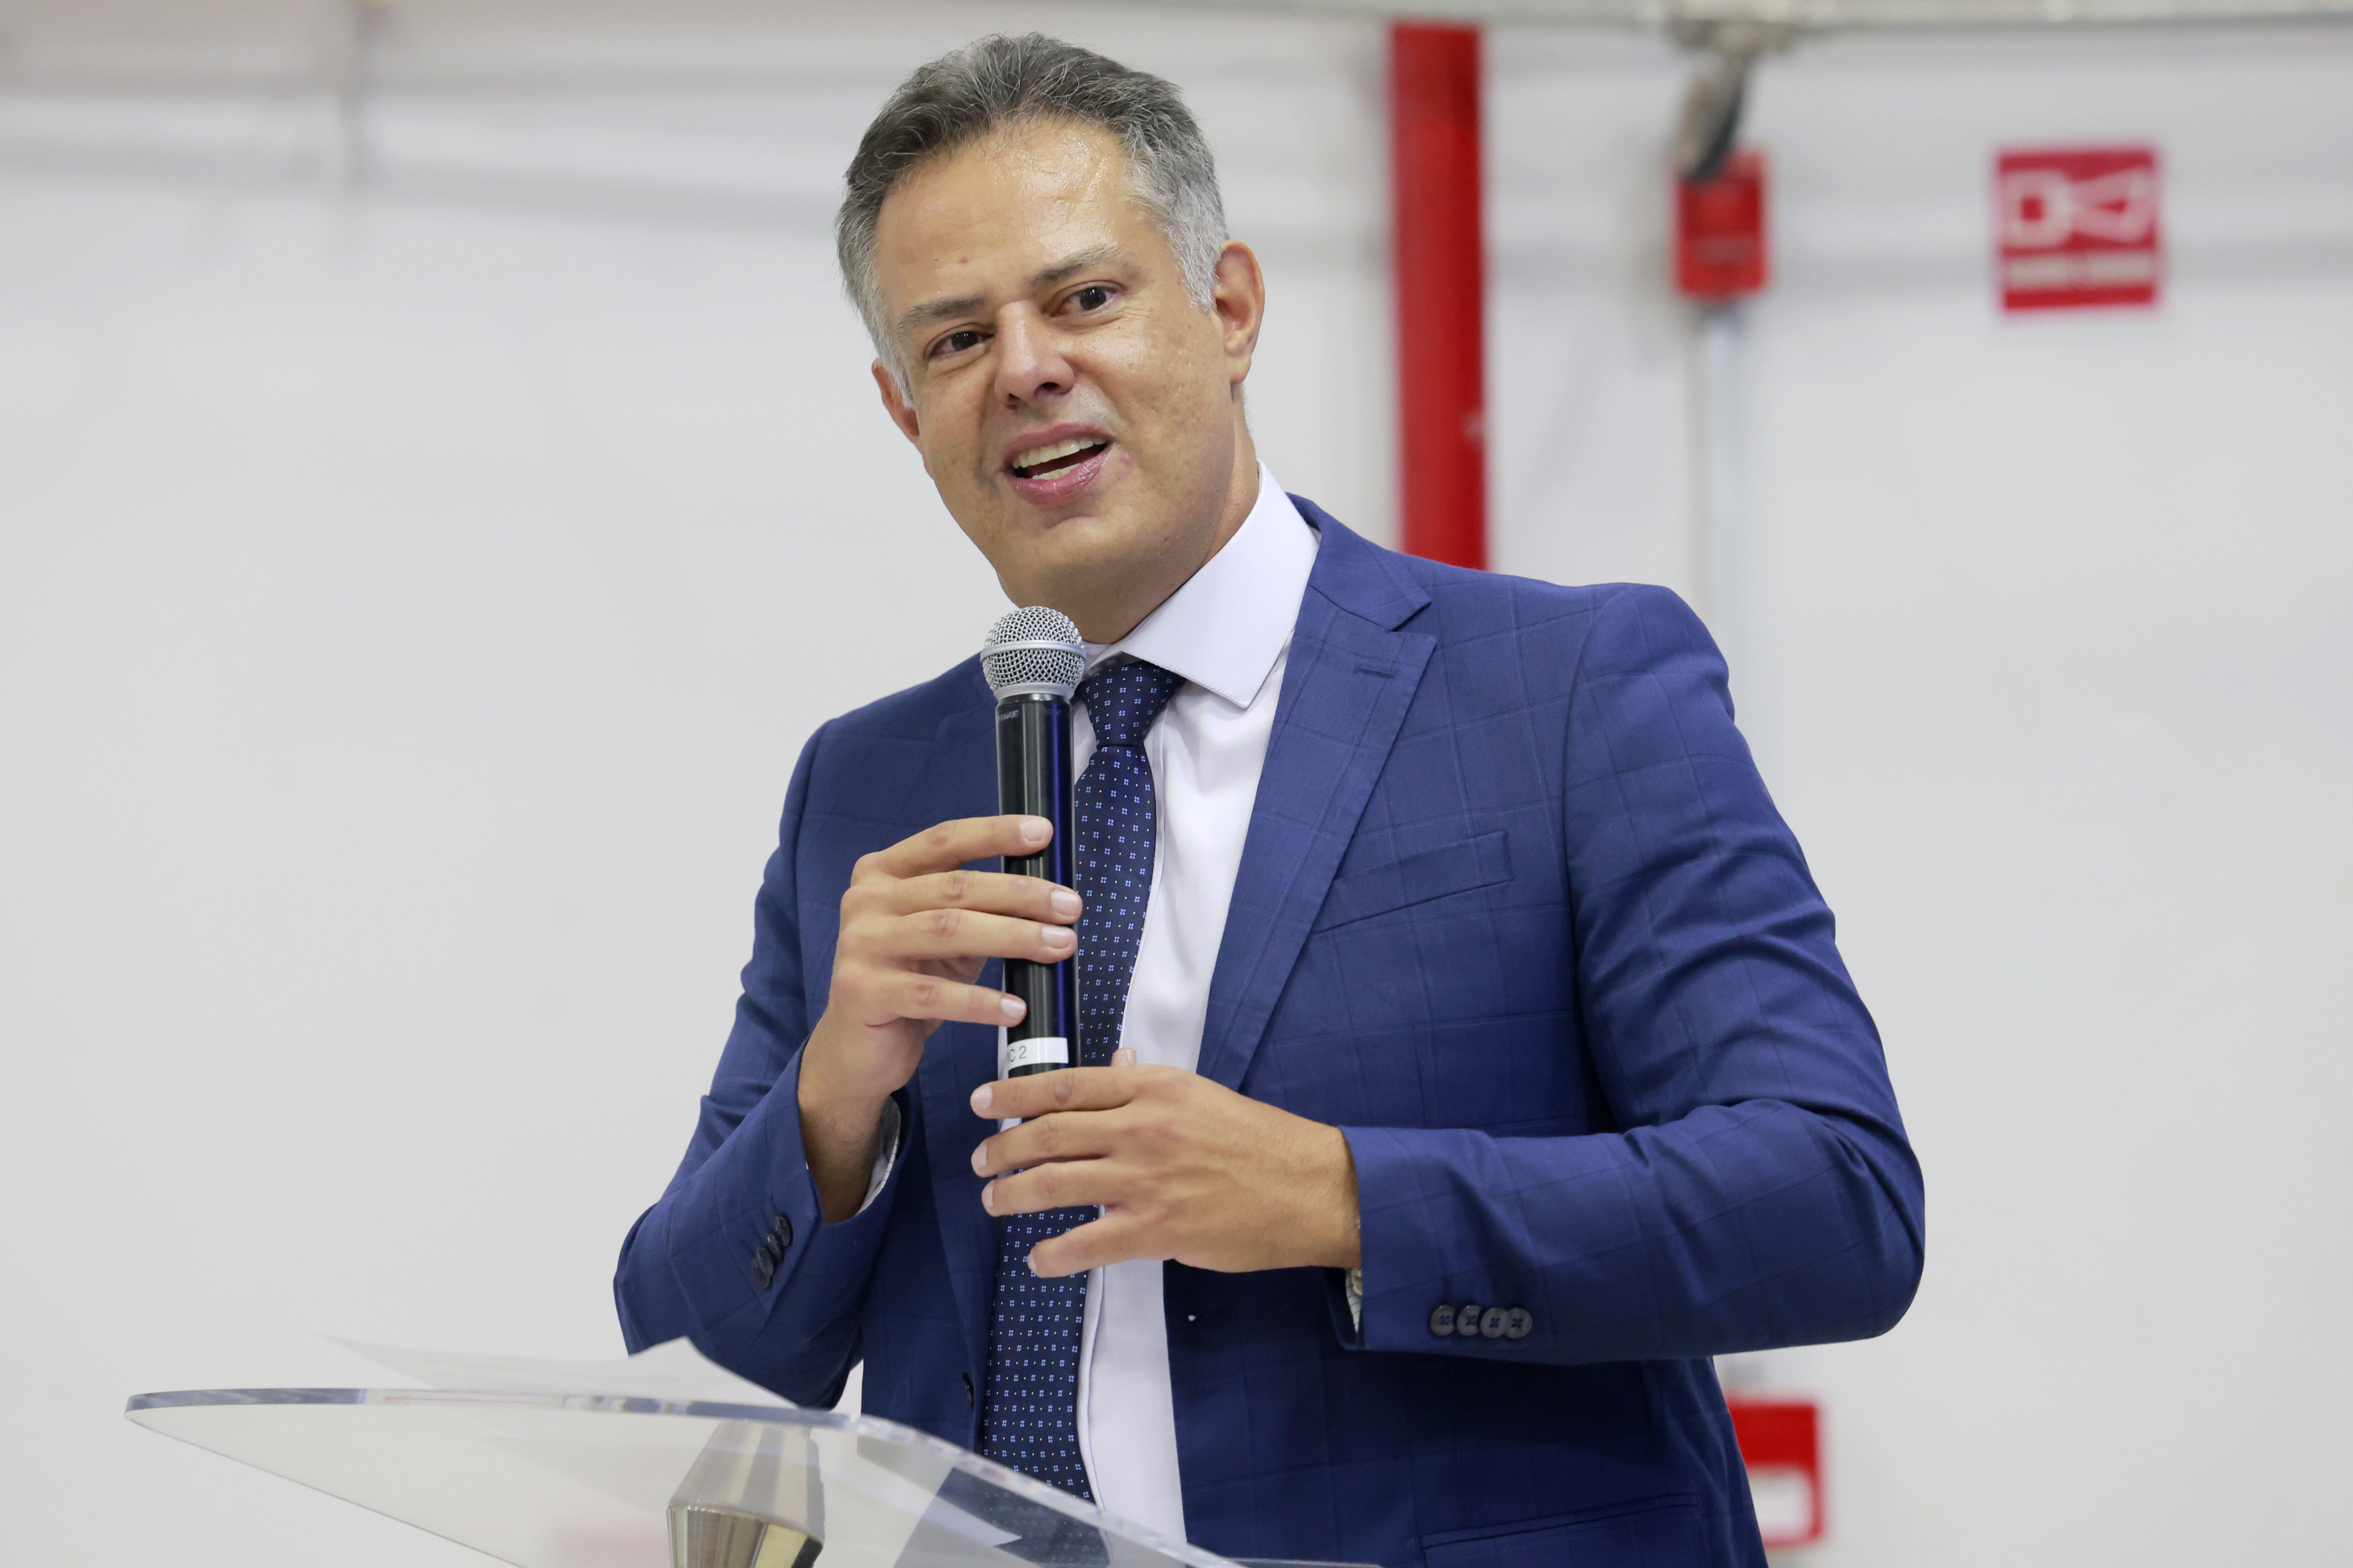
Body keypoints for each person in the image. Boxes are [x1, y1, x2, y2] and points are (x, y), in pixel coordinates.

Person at [615, 33, 1923, 1568]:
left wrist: (1339, 1195)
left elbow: (1834, 1202)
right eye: (956, 338)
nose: (1025, 367)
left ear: (1228, 310)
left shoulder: (1568, 690)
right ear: (908, 414)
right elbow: (697, 1338)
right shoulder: (868, 782)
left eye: (1083, 298)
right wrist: (835, 1100)